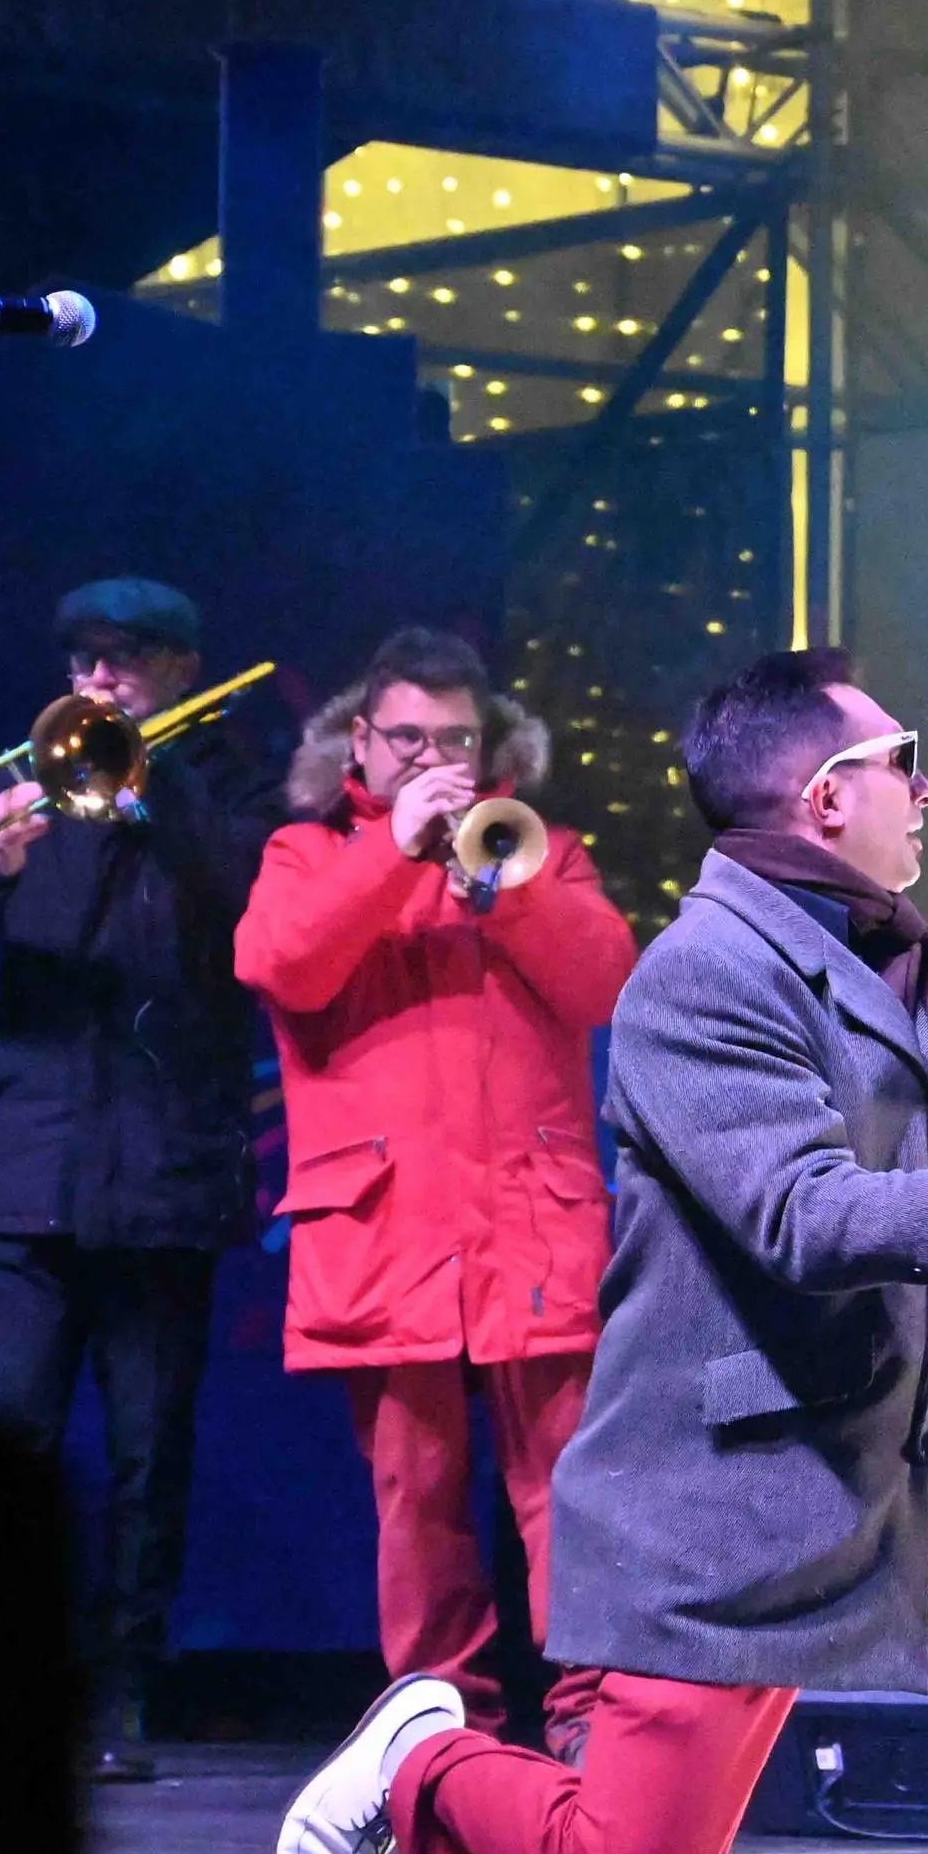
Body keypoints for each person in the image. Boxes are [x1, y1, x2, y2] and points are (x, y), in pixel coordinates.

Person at [265, 647, 928, 1854]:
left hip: (894, 1454)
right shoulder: (701, 975)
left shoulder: (891, 959)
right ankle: (420, 1764)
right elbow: (798, 1216)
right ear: (825, 796)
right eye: (903, 761)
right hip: (738, 1504)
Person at [0, 577, 282, 1782]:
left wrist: (145, 787)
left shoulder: (232, 783)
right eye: (83, 660)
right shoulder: (32, 785)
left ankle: (122, 1694)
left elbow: (252, 906)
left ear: (179, 666)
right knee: (11, 1430)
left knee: (146, 1452)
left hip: (167, 1172)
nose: (98, 682)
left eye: (123, 660)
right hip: (33, 1164)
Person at [232, 628, 638, 1749]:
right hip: (388, 1224)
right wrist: (394, 855)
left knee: (569, 1492)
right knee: (417, 1510)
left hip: (530, 1222)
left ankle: (591, 1732)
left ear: (489, 740)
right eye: (407, 736)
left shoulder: (537, 850)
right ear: (362, 740)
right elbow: (282, 965)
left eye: (454, 737)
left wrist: (497, 889)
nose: (432, 756)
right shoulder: (306, 851)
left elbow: (606, 980)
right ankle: (443, 1746)